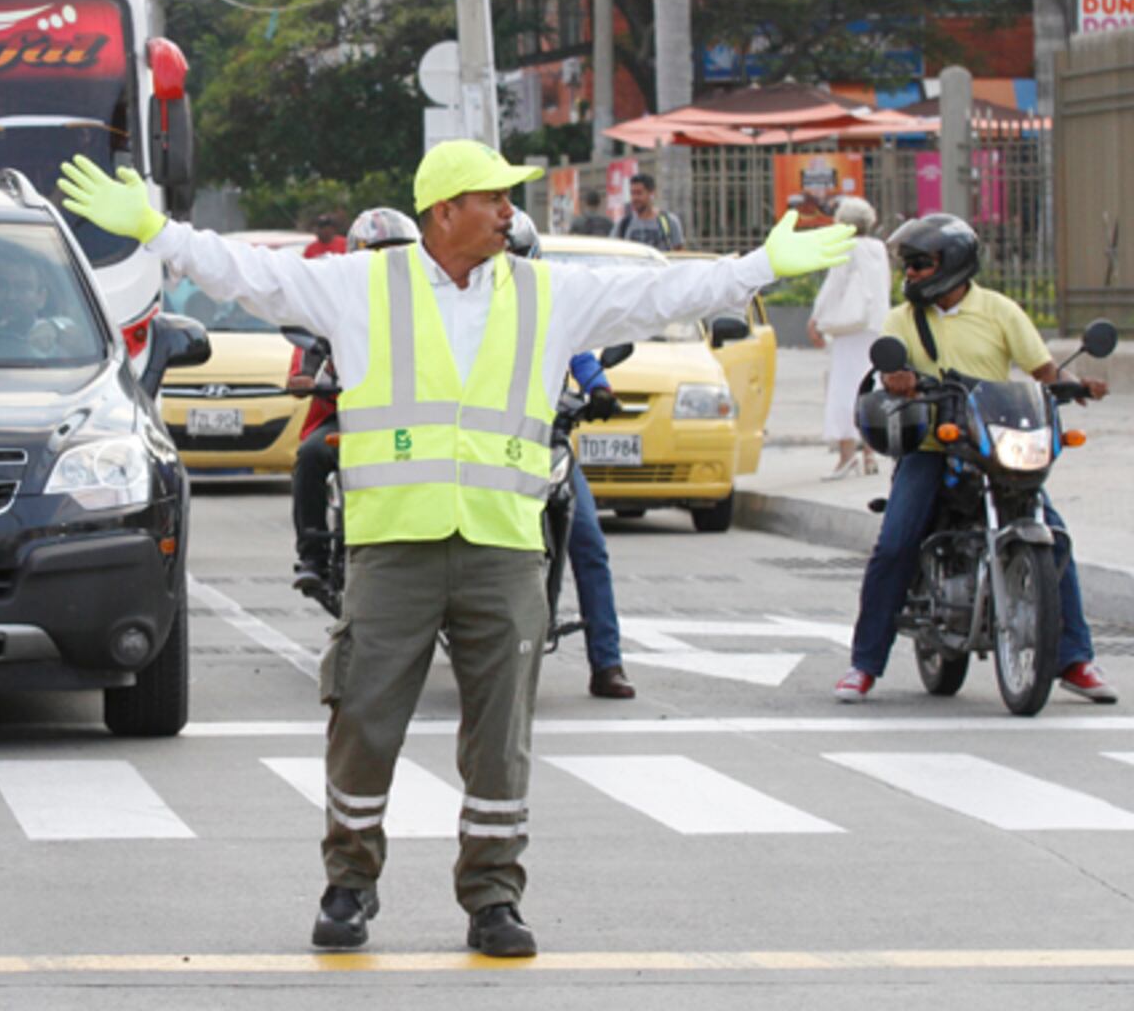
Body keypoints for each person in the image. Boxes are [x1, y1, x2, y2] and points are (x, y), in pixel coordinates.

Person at [57, 143, 853, 958]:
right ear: (444, 211)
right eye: (492, 198)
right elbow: (247, 273)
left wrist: (760, 264)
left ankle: (493, 899)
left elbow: (660, 292)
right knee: (363, 719)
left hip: (504, 551)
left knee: (500, 732)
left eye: (509, 199)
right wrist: (157, 231)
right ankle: (349, 887)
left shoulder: (551, 294)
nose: (509, 211)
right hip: (391, 548)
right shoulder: (363, 285)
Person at [834, 213, 1117, 706]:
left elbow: (1043, 371)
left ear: (955, 264)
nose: (913, 274)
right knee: (896, 543)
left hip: (995, 447)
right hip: (933, 448)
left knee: (1054, 537)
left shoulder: (1001, 311)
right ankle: (864, 664)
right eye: (910, 266)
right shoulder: (902, 319)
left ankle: (1075, 658)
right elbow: (889, 370)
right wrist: (896, 378)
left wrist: (1072, 385)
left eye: (921, 264)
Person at [505, 211, 635, 699]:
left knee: (589, 543)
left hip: (549, 445)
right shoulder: (469, 317)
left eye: (518, 262)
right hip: (490, 453)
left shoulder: (550, 311)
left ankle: (608, 662)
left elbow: (581, 356)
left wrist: (599, 390)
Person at [291, 207, 420, 606]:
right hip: (348, 415)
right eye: (378, 254)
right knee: (312, 455)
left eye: (399, 254)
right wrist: (307, 377)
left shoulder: (429, 304)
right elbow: (313, 346)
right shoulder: (341, 300)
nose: (388, 264)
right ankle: (314, 557)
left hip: (412, 420)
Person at [807, 197, 891, 479]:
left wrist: (817, 318)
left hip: (850, 329)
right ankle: (869, 454)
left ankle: (846, 456)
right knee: (868, 388)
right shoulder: (878, 249)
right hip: (875, 326)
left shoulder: (848, 248)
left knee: (844, 390)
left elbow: (835, 285)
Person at [612, 172, 685, 250]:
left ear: (651, 193)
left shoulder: (669, 220)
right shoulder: (623, 224)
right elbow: (612, 251)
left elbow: (679, 253)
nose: (635, 198)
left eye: (639, 193)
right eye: (632, 193)